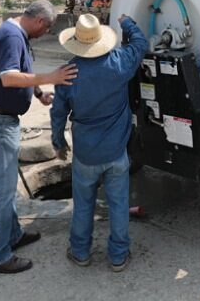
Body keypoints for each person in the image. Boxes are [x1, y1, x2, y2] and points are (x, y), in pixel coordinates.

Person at [0, 0, 77, 275]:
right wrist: (49, 77)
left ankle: (13, 235)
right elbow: (8, 77)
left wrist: (39, 94)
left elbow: (21, 70)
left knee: (6, 187)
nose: (46, 34)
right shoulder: (11, 37)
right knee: (4, 192)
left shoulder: (16, 32)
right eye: (48, 29)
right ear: (40, 22)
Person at [52, 14, 148, 272]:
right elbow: (141, 44)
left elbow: (58, 112)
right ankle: (118, 257)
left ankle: (81, 252)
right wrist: (128, 22)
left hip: (85, 154)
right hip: (117, 153)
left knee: (83, 205)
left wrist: (58, 142)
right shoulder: (119, 63)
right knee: (118, 205)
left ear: (77, 42)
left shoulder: (68, 73)